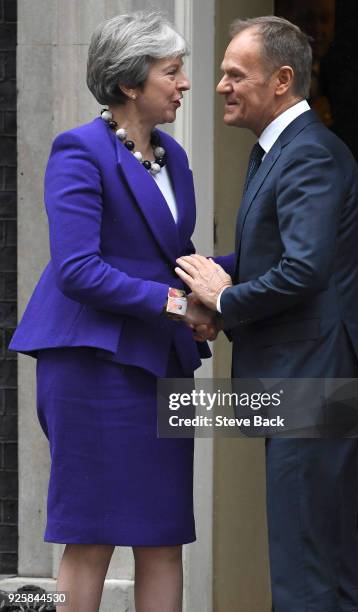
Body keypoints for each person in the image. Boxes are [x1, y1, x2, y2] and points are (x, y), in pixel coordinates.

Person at [9, 11, 226, 612]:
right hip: (92, 366)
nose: (185, 84)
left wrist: (239, 273)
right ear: (131, 82)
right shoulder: (78, 151)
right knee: (93, 532)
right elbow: (78, 269)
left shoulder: (175, 157)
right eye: (173, 71)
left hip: (158, 362)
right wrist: (181, 304)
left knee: (163, 534)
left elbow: (171, 257)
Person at [176, 15, 358, 612]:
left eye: (235, 74)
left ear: (283, 80)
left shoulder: (308, 154)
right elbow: (270, 253)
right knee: (327, 556)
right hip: (309, 378)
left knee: (305, 564)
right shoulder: (283, 150)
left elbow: (302, 270)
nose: (219, 86)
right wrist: (195, 275)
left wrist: (222, 300)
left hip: (311, 383)